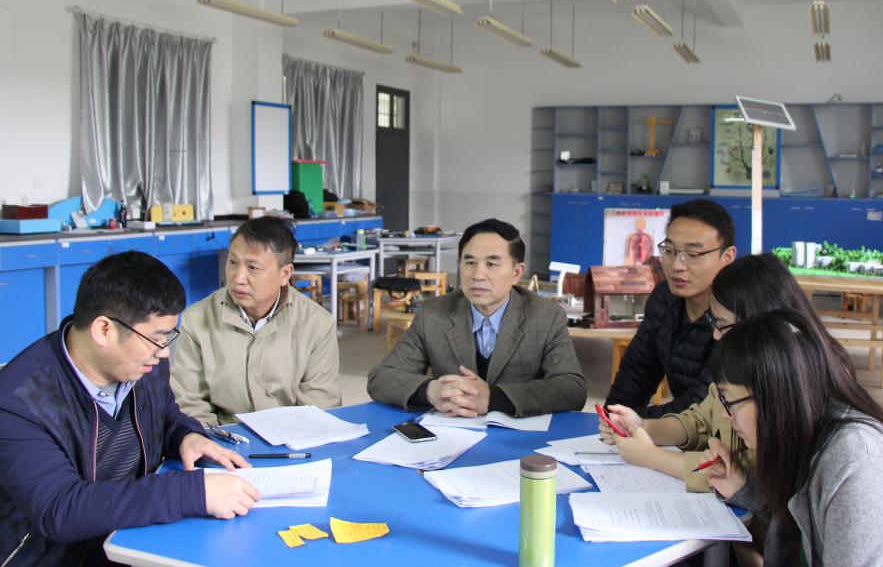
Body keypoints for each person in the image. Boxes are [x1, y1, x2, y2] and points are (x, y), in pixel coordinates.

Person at [0, 252, 260, 566]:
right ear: (104, 330)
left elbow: (164, 413)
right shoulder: (17, 403)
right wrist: (190, 492)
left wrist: (185, 435)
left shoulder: (142, 364)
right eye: (157, 337)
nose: (164, 353)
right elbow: (60, 509)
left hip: (131, 537)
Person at [701, 309, 883, 566]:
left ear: (772, 395)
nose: (725, 414)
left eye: (728, 400)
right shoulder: (812, 437)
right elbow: (805, 530)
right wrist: (741, 487)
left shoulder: (862, 469)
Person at [600, 253, 852, 492]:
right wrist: (643, 426)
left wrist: (649, 456)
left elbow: (744, 475)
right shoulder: (742, 366)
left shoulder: (795, 383)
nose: (716, 335)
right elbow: (701, 419)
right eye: (713, 322)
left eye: (721, 324)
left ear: (757, 321)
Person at [367, 218, 587, 417]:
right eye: (470, 262)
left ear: (516, 273)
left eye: (492, 264)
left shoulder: (545, 315)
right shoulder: (432, 314)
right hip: (452, 435)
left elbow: (572, 388)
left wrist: (493, 398)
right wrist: (431, 391)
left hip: (520, 438)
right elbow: (382, 378)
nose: (478, 275)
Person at [171, 216, 342, 425]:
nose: (238, 277)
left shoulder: (317, 324)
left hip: (293, 437)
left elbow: (320, 409)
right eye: (232, 263)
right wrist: (215, 440)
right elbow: (189, 403)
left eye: (252, 267)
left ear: (285, 274)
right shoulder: (197, 319)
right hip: (223, 438)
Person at [605, 199, 736, 417]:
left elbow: (702, 404)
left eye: (693, 254)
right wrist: (612, 418)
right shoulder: (663, 298)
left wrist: (635, 422)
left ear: (727, 257)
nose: (677, 265)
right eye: (670, 250)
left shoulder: (736, 314)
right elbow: (636, 373)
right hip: (679, 429)